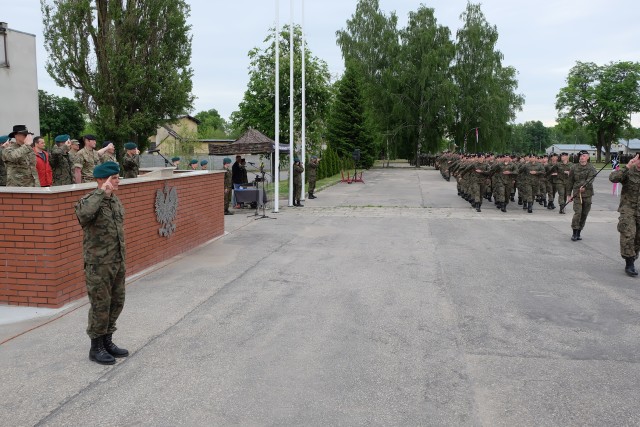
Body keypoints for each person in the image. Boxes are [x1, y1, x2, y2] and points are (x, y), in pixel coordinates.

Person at [75, 161, 129, 365]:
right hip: (98, 264)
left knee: (117, 302)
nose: (117, 181)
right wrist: (101, 193)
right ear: (101, 179)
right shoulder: (89, 200)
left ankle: (108, 341)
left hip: (117, 261)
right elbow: (83, 215)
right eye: (114, 178)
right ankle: (95, 347)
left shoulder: (114, 201)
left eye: (117, 178)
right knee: (100, 304)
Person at [609, 153, 640, 276]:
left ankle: (632, 257)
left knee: (637, 239)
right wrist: (627, 166)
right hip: (628, 210)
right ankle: (629, 263)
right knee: (628, 235)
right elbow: (613, 178)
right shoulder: (629, 171)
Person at [568, 150, 597, 241]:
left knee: (584, 214)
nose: (582, 157)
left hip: (587, 194)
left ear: (588, 157)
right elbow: (570, 181)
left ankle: (579, 232)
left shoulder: (591, 168)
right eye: (580, 156)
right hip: (577, 194)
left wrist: (584, 186)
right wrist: (569, 194)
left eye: (584, 156)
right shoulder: (574, 167)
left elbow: (590, 179)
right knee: (578, 213)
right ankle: (574, 232)